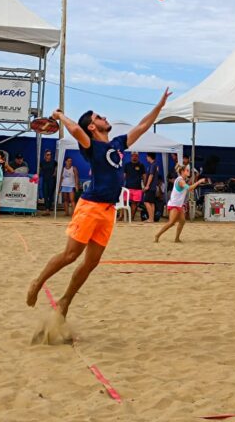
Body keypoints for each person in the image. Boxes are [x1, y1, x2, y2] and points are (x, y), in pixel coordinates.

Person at [26, 87, 171, 318]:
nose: (104, 117)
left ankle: (64, 302)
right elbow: (75, 129)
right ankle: (37, 282)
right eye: (98, 117)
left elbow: (142, 127)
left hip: (108, 210)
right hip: (90, 206)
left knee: (91, 262)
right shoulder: (91, 146)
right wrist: (59, 115)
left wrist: (159, 106)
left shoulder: (117, 144)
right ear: (92, 127)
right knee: (70, 255)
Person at [155, 163, 208, 243]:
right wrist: (199, 181)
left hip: (178, 205)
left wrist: (197, 178)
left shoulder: (182, 180)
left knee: (182, 221)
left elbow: (189, 184)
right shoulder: (180, 181)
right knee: (171, 223)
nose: (188, 171)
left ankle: (176, 239)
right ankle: (157, 235)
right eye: (187, 170)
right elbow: (190, 188)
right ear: (182, 172)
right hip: (174, 204)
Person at [123, 151, 146, 221]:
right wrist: (120, 183)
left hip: (137, 188)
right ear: (131, 156)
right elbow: (124, 175)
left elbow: (144, 176)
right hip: (127, 187)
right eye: (133, 155)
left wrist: (144, 186)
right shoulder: (127, 165)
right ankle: (124, 216)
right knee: (124, 202)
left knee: (134, 203)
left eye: (136, 156)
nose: (134, 157)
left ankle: (131, 217)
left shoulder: (141, 165)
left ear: (138, 157)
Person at [142, 153, 162, 223]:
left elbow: (151, 175)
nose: (146, 158)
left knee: (146, 202)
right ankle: (152, 218)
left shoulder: (153, 165)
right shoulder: (155, 165)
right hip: (153, 187)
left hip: (151, 187)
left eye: (147, 157)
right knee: (152, 203)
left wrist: (147, 185)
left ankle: (150, 218)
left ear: (149, 157)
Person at [40, 149, 57, 216]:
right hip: (45, 180)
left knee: (50, 195)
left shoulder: (54, 162)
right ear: (45, 155)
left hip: (52, 180)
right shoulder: (42, 162)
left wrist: (55, 173)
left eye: (50, 154)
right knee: (45, 194)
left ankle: (48, 209)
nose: (49, 156)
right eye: (47, 154)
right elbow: (40, 169)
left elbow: (56, 169)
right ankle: (47, 209)